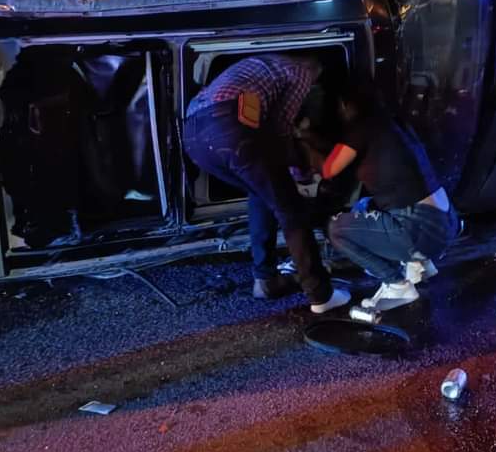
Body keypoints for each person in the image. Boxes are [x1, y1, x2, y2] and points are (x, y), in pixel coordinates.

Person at [183, 54, 351, 313]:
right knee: (291, 211)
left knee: (261, 194)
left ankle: (266, 280)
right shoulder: (301, 70)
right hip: (229, 127)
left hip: (194, 136)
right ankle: (321, 295)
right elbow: (280, 127)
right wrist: (300, 174)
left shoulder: (261, 66)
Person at [317, 85, 461, 312]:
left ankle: (396, 284)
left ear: (346, 105)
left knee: (336, 229)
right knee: (364, 206)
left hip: (420, 229)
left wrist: (304, 136)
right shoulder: (396, 123)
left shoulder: (361, 128)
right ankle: (419, 264)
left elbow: (328, 170)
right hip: (447, 220)